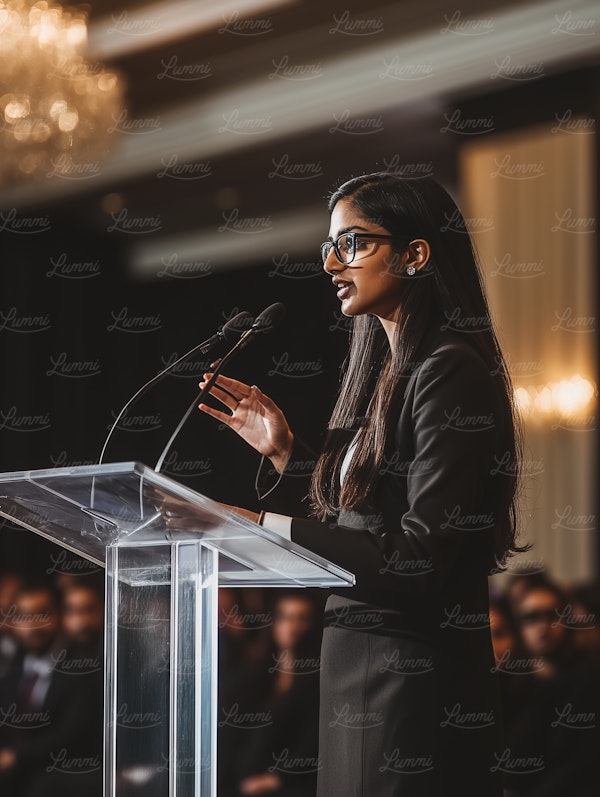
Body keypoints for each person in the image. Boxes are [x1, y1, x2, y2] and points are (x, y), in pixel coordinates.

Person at [197, 173, 526, 796]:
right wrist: (289, 455)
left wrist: (257, 525)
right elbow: (359, 524)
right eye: (328, 246)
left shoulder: (450, 370)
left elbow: (417, 560)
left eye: (350, 242)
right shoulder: (386, 376)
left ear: (415, 253)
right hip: (357, 672)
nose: (329, 263)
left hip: (411, 679)